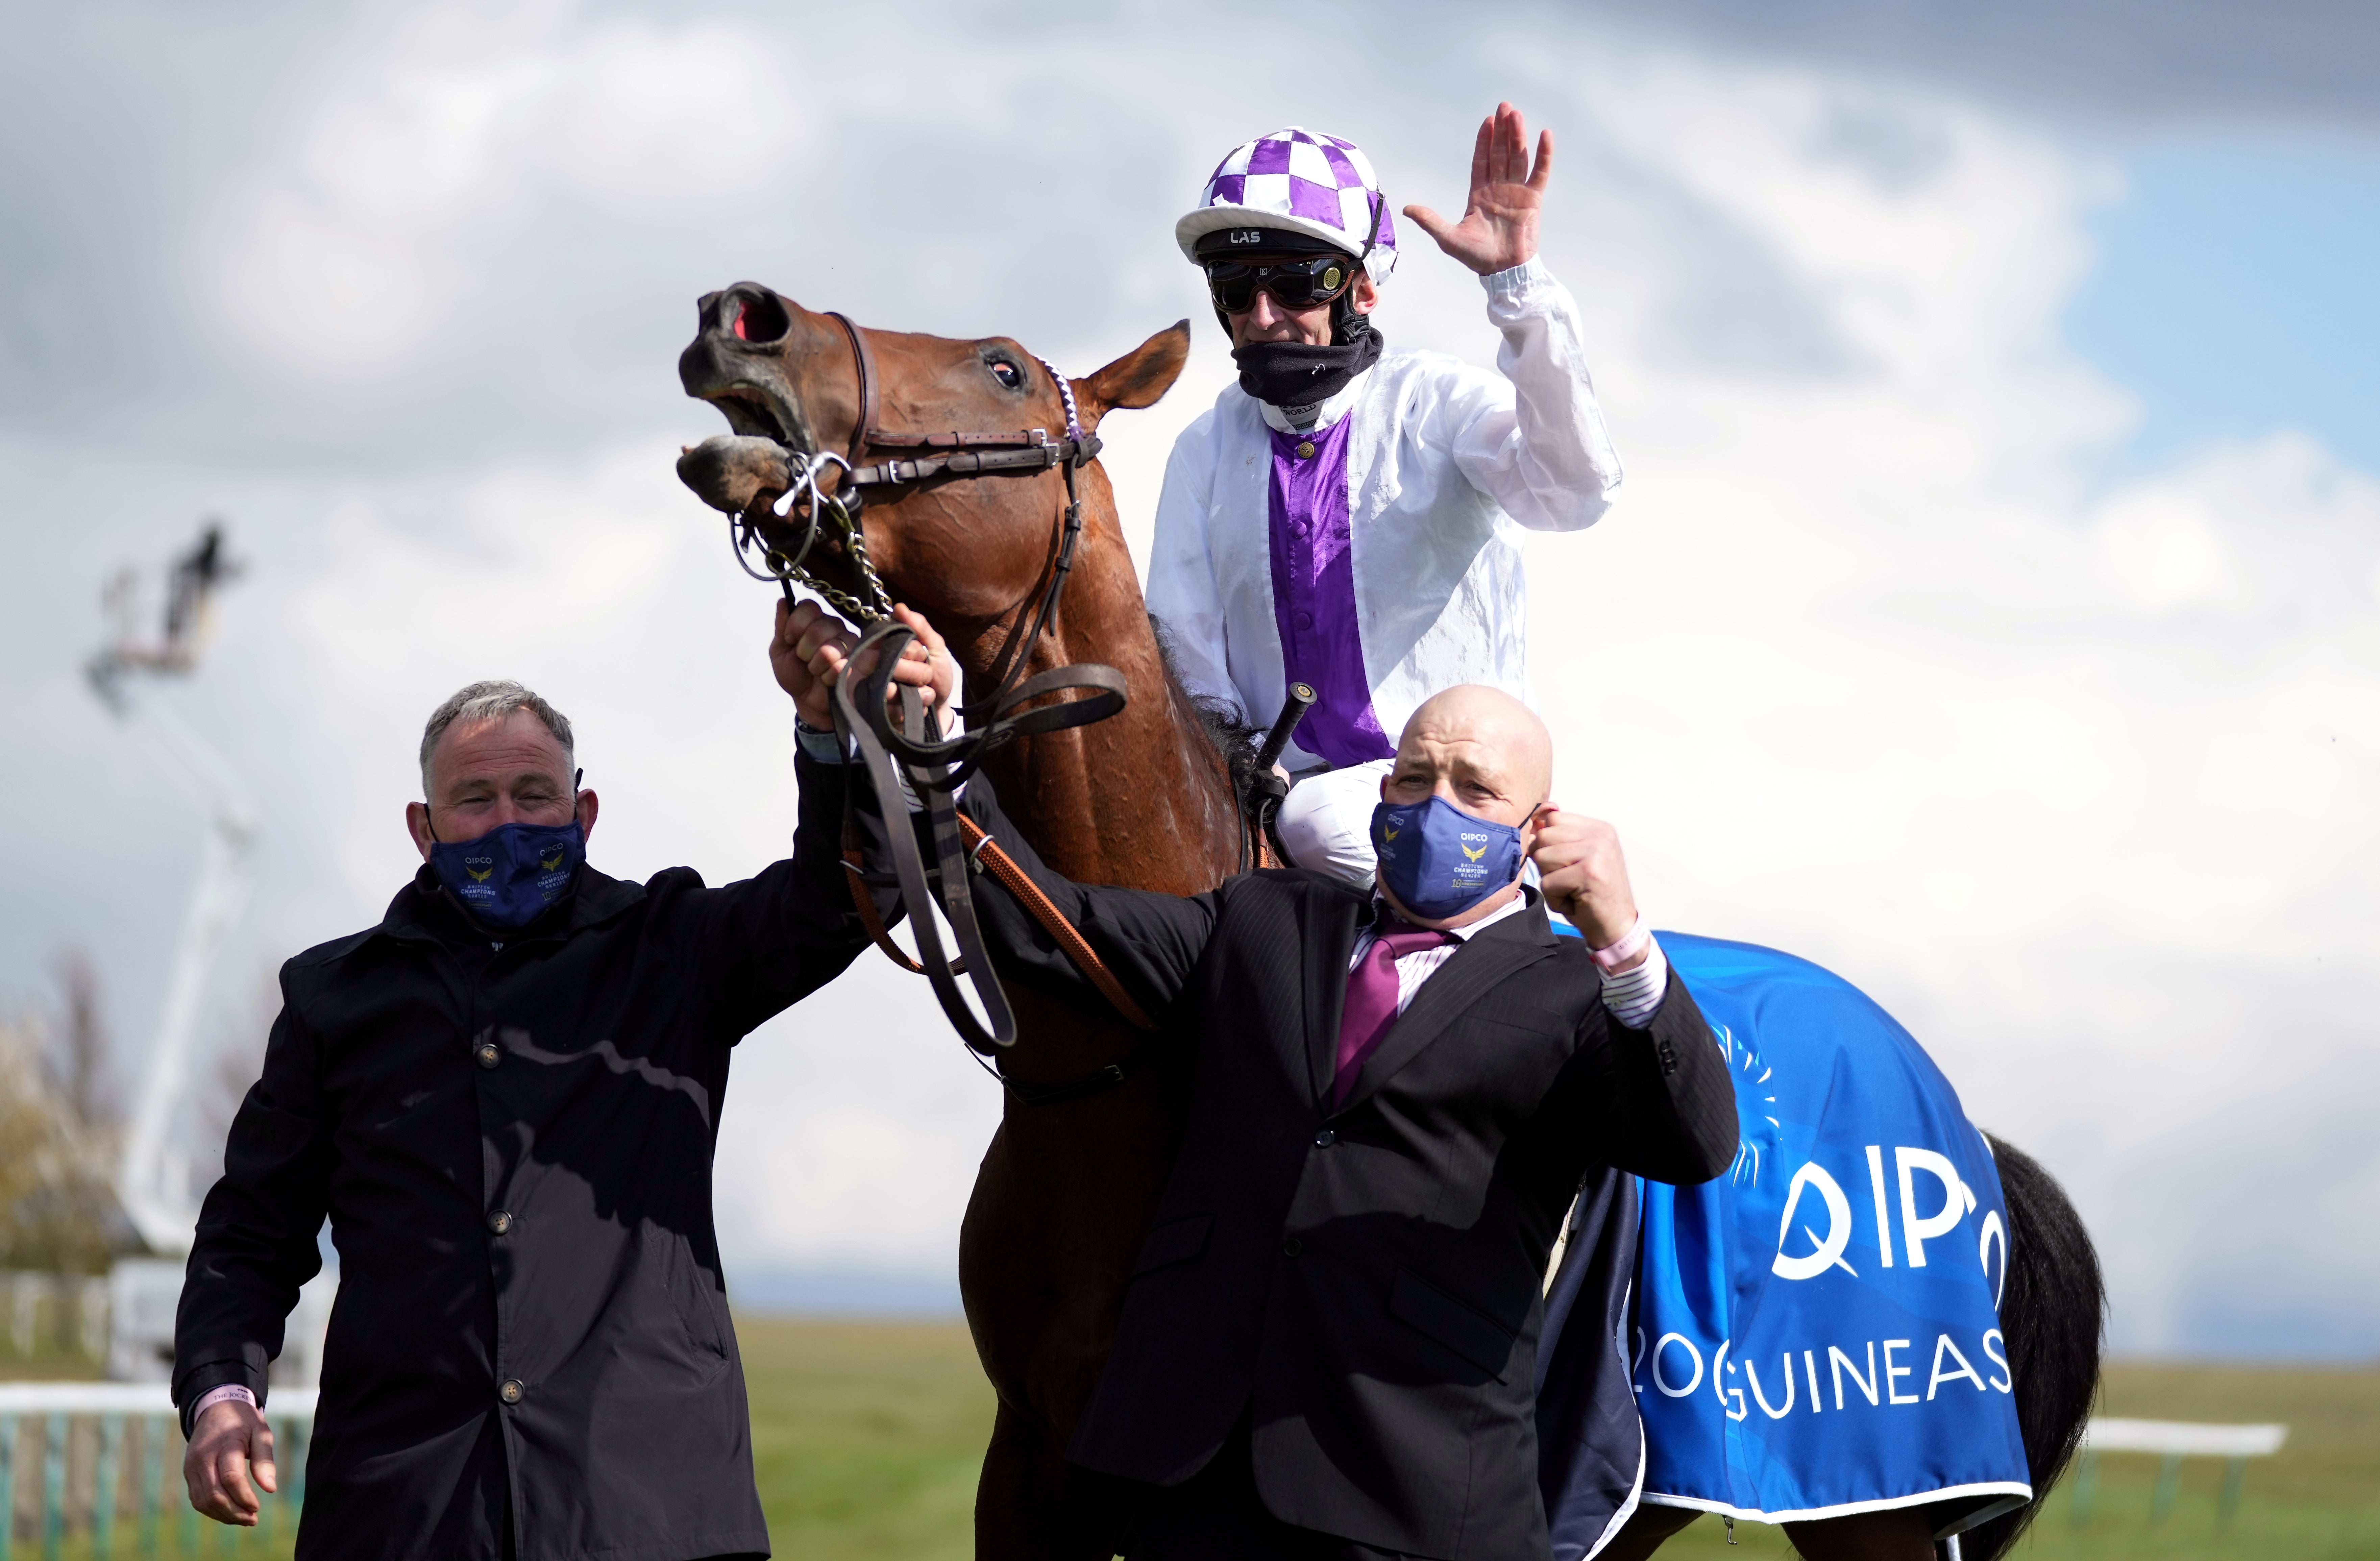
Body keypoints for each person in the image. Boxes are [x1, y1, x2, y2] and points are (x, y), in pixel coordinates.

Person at [800, 613, 1736, 1560]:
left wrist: (1622, 940)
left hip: (1412, 1503)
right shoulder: (1261, 916)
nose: (1433, 803)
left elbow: (1693, 1141)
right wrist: (939, 743)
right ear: (1380, 790)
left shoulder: (1576, 993)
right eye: (1414, 776)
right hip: (1194, 1488)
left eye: (1473, 788)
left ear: (1536, 827)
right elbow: (1050, 924)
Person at [173, 603, 953, 1560]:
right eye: (477, 799)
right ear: (424, 827)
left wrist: (833, 735)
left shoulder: (672, 950)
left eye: (534, 794)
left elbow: (838, 897)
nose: (507, 820)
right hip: (404, 1511)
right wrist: (222, 1390)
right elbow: (251, 1231)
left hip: (647, 1508)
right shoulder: (335, 997)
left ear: (583, 811)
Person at [1147, 105, 1623, 888]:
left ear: (1362, 287)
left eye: (1296, 284)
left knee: (1318, 819)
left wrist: (1517, 287)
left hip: (1462, 808)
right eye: (1234, 288)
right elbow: (1189, 658)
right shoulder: (1202, 449)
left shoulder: (1437, 402)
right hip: (1270, 826)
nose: (1262, 316)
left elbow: (1575, 493)